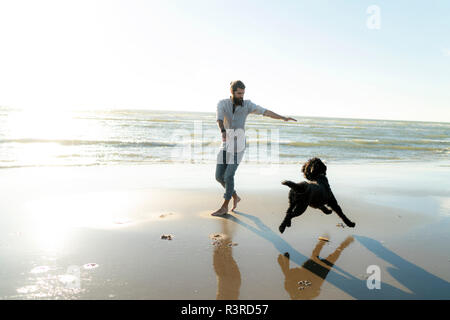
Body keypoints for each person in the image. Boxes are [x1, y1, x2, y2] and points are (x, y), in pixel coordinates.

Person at [211, 80, 297, 216]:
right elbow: (219, 119)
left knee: (229, 176)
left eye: (243, 93)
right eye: (239, 93)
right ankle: (234, 196)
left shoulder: (247, 105)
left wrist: (283, 118)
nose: (241, 96)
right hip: (226, 143)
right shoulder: (222, 104)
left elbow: (266, 112)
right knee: (219, 176)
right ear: (232, 92)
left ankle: (224, 206)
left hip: (239, 144)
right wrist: (222, 131)